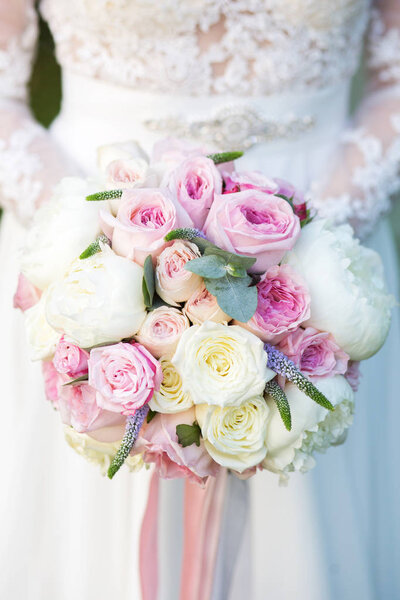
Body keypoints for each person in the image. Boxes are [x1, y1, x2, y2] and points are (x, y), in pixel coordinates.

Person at [0, 1, 399, 599]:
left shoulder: (321, 249)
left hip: (325, 245)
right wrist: (103, 248)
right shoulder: (97, 248)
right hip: (95, 240)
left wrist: (311, 246)